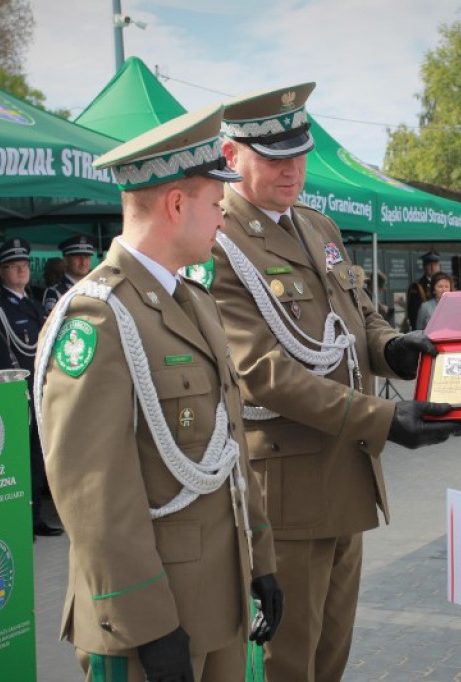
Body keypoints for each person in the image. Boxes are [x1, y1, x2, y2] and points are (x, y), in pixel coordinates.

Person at [208, 82, 461, 682]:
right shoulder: (219, 242)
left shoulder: (317, 226)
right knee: (288, 663)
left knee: (331, 657)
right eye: (274, 156)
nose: (292, 168)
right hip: (288, 490)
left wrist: (393, 350)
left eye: (299, 152)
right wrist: (382, 420)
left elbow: (357, 313)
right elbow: (261, 372)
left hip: (346, 478)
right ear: (230, 156)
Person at [35, 104, 280, 682]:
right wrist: (149, 623)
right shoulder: (97, 318)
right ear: (176, 204)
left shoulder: (194, 303)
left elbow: (230, 454)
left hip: (218, 602)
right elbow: (92, 494)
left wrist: (260, 563)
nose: (224, 221)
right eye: (217, 207)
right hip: (151, 621)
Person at [0, 239, 62, 537]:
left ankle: (34, 517)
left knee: (37, 459)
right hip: (14, 392)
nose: (21, 271)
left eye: (25, 266)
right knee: (15, 460)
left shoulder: (34, 304)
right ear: (1, 272)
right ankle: (18, 521)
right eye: (14, 267)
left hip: (38, 390)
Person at [43, 235, 96, 314]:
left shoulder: (97, 288)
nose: (83, 262)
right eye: (78, 257)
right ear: (66, 260)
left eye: (87, 257)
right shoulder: (55, 292)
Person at [405, 250, 441, 331]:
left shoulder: (446, 284)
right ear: (424, 266)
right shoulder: (417, 287)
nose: (433, 267)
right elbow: (414, 313)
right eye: (429, 264)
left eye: (435, 264)